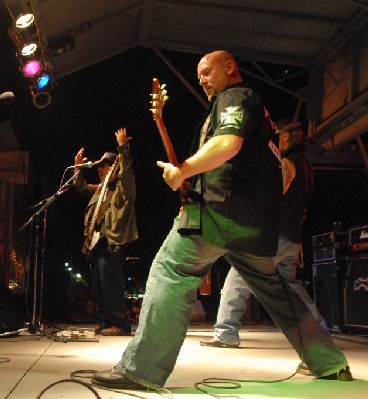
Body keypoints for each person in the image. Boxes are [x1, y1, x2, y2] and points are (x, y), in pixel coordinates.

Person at [91, 50, 351, 390]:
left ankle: (142, 371)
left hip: (217, 213)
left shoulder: (236, 96)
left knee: (171, 271)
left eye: (206, 70)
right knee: (279, 292)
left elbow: (227, 144)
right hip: (254, 226)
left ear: (230, 67)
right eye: (197, 74)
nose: (200, 78)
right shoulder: (258, 114)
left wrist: (183, 170)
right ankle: (330, 363)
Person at [200, 119, 327, 349]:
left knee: (238, 276)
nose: (276, 139)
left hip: (274, 235)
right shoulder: (307, 165)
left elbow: (274, 195)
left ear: (286, 138)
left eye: (279, 135)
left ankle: (226, 332)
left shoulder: (288, 163)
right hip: (292, 236)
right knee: (291, 288)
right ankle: (320, 328)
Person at [73, 127, 138, 336]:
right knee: (98, 284)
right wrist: (77, 167)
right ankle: (103, 321)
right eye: (99, 167)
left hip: (114, 239)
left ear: (114, 167)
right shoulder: (101, 190)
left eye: (104, 166)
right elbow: (81, 188)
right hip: (98, 242)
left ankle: (120, 323)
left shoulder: (123, 186)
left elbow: (126, 168)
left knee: (111, 284)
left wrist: (123, 148)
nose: (100, 170)